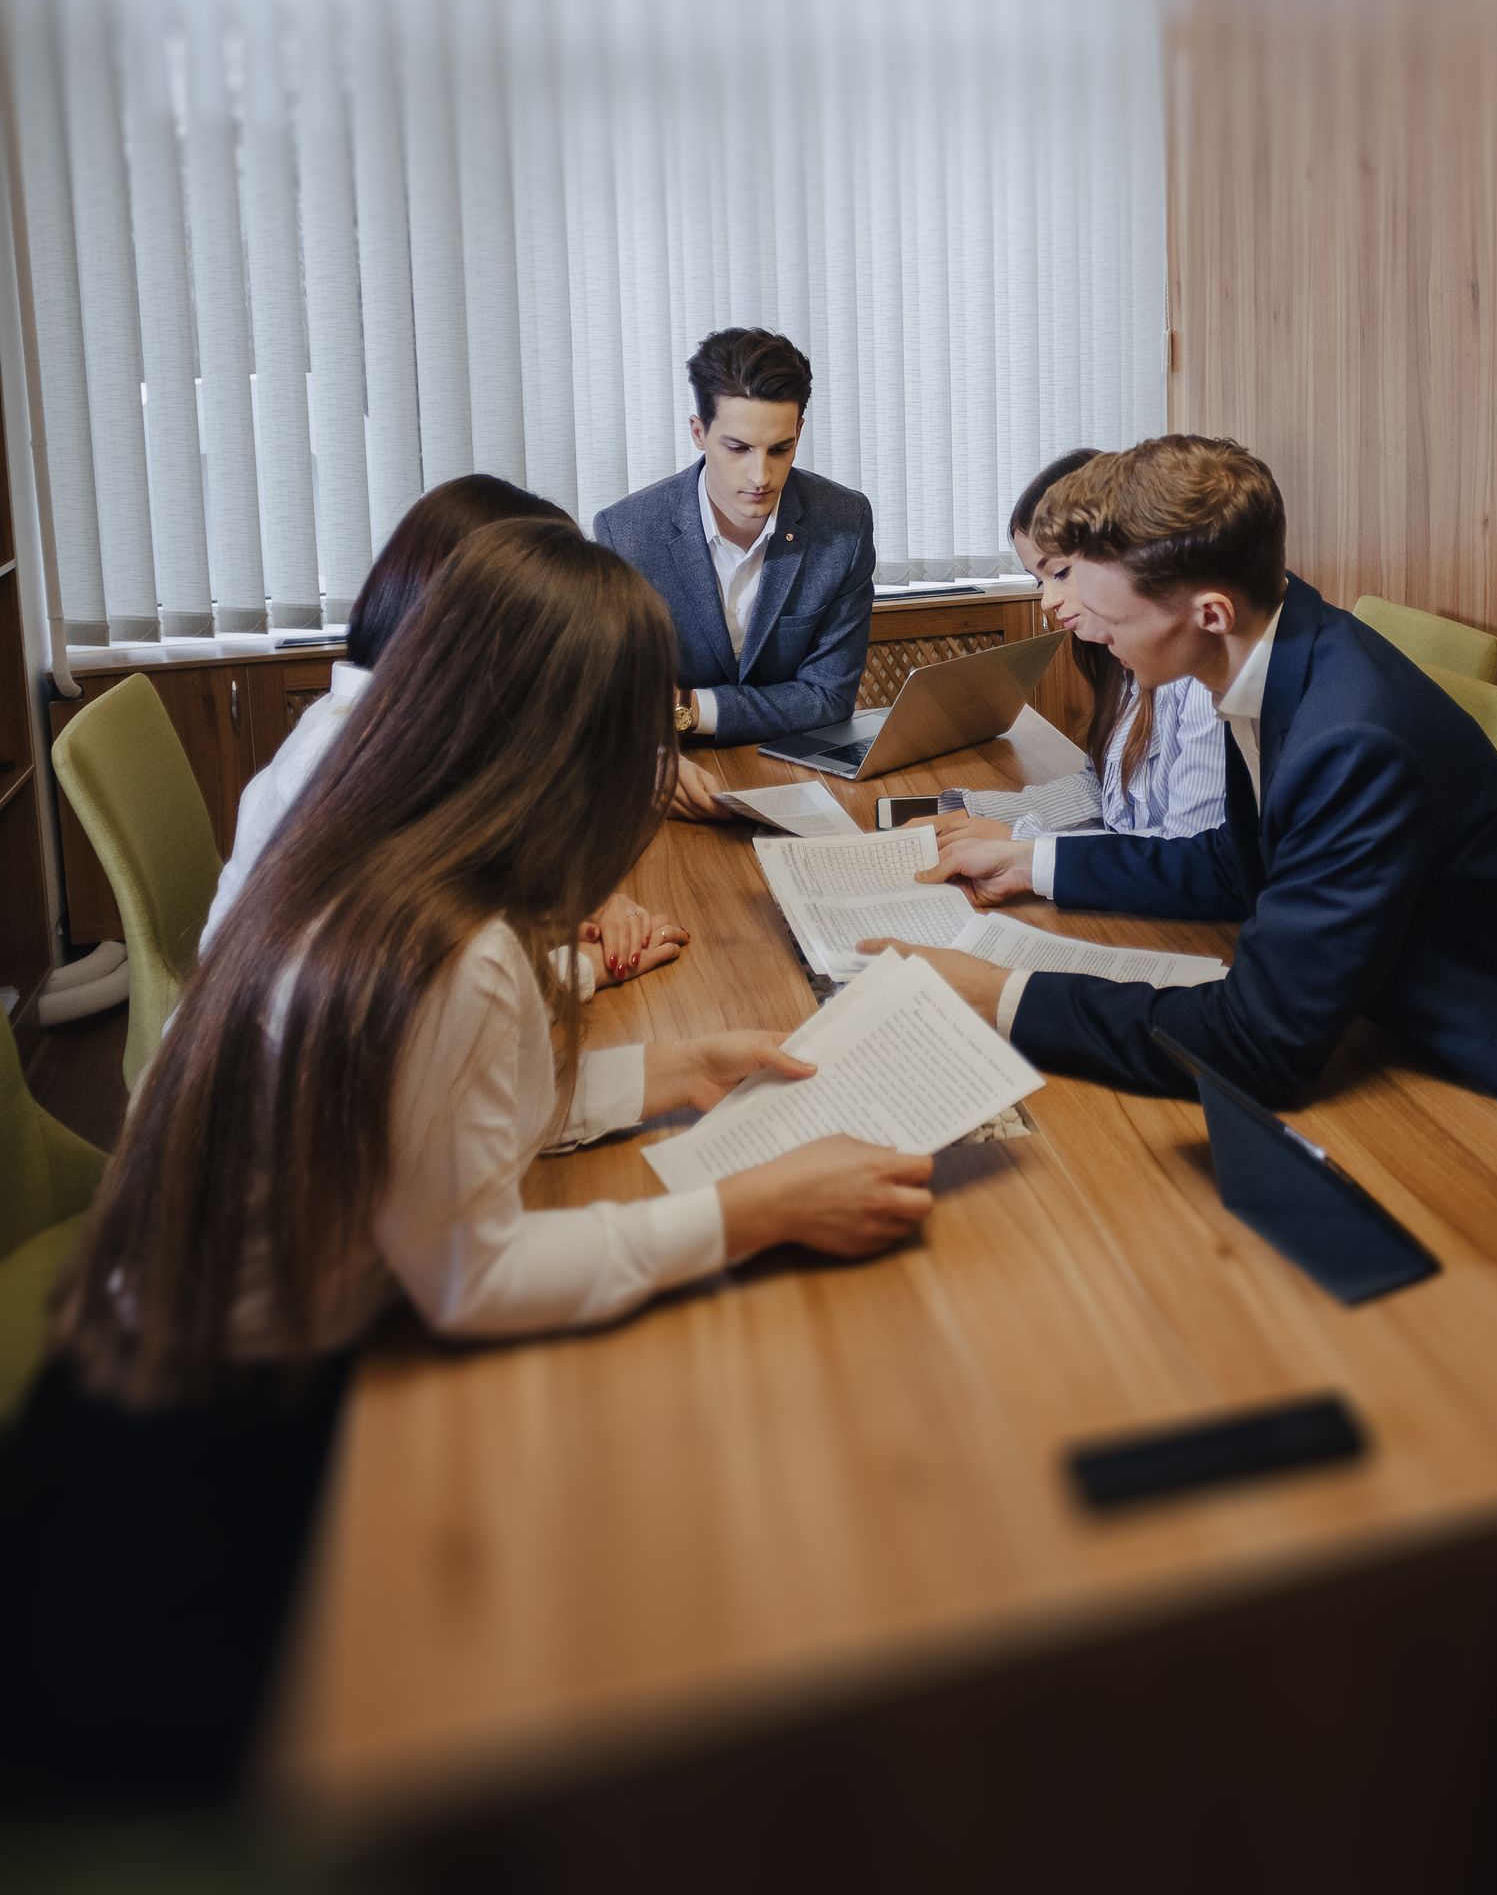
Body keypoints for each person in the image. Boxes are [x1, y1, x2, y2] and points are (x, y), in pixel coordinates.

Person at [22, 519, 930, 1807]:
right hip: (193, 1499)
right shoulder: (461, 951)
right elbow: (473, 1275)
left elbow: (424, 1116)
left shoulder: (374, 856)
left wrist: (668, 1072)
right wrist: (757, 1208)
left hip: (135, 1382)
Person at [894, 436, 1497, 1279]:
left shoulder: (1352, 737)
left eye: (1108, 613)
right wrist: (1036, 866)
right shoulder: (1277, 652)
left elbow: (1261, 1047)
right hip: (1399, 1045)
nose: (1085, 628)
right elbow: (1242, 870)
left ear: (1207, 613)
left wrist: (1004, 995)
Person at [203, 474, 682, 985]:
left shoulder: (392, 723)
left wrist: (573, 902)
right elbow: (423, 994)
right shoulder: (361, 768)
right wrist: (581, 967)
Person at [592, 327, 876, 813]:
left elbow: (829, 698)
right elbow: (624, 702)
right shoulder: (626, 534)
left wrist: (687, 707)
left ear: (799, 433)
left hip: (802, 777)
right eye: (738, 448)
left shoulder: (844, 522)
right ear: (698, 433)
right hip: (674, 779)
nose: (760, 477)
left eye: (779, 449)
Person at [938, 446, 1226, 850]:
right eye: (1039, 582)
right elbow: (1104, 792)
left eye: (1059, 573)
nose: (1047, 600)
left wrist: (1025, 844)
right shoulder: (1118, 662)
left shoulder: (1198, 676)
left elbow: (1190, 853)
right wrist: (969, 815)